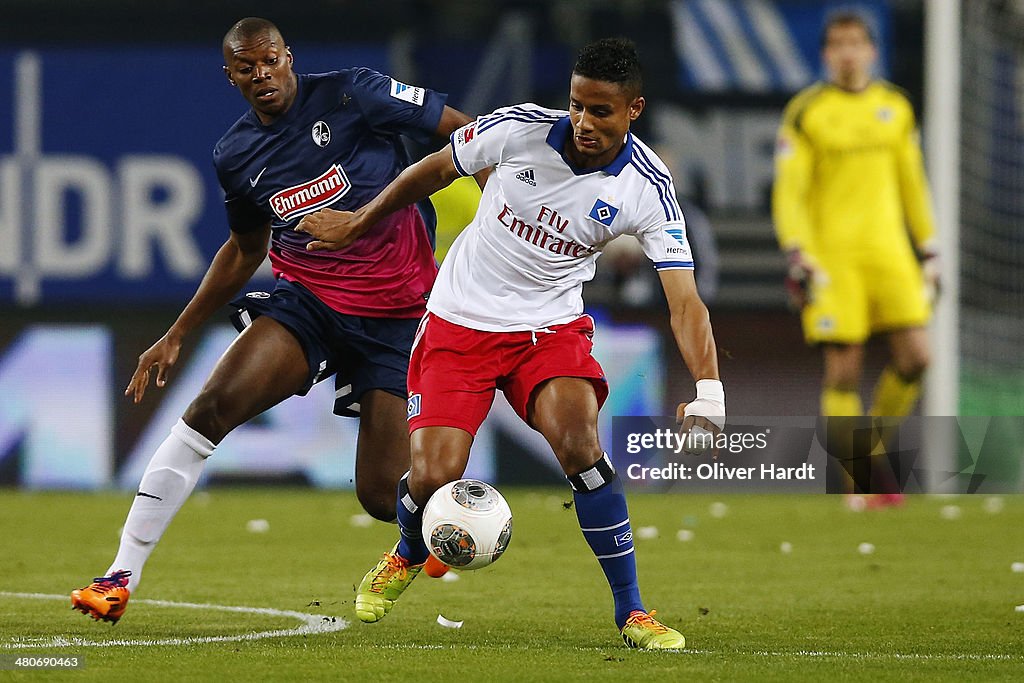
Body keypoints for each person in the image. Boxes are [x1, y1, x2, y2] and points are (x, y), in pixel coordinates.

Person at [296, 37, 725, 650]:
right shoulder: (516, 129)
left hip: (546, 333)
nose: (583, 121)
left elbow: (684, 299)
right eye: (577, 105)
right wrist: (359, 222)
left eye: (601, 111)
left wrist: (708, 388)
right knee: (431, 477)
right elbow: (434, 169)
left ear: (634, 110)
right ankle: (406, 552)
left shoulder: (645, 188)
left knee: (582, 449)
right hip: (459, 323)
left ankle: (632, 613)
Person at [70, 16, 476, 624]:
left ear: (289, 57)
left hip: (400, 315)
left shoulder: (353, 93)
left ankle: (435, 534)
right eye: (246, 68)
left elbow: (469, 134)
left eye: (270, 62)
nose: (261, 76)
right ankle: (118, 575)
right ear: (229, 76)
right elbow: (244, 249)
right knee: (209, 409)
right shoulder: (235, 155)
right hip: (308, 304)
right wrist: (177, 332)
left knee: (381, 493)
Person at [772, 11, 938, 503]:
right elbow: (790, 191)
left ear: (872, 50)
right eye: (838, 44)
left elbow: (913, 183)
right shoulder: (806, 112)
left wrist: (929, 248)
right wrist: (798, 251)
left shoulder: (896, 107)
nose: (847, 53)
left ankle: (869, 456)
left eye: (856, 43)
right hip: (833, 259)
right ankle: (857, 478)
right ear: (826, 54)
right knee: (844, 370)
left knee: (917, 357)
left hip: (890, 254)